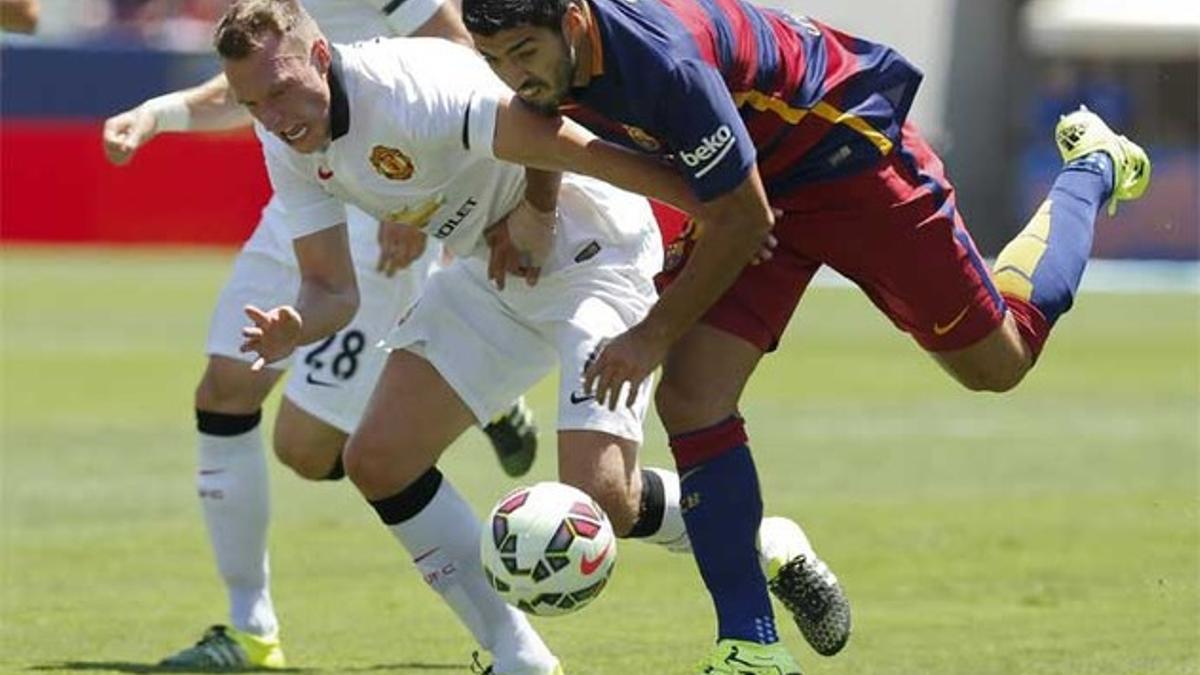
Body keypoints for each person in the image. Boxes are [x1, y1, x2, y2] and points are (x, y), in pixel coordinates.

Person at [461, 0, 1152, 671]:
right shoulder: (550, 57)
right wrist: (537, 209)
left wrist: (650, 334)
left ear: (576, 21)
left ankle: (1092, 166)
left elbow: (743, 221)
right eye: (492, 57)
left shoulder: (662, 61)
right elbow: (542, 115)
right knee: (693, 396)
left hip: (844, 151)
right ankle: (752, 648)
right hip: (749, 185)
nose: (510, 73)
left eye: (523, 53)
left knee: (999, 362)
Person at [216, 1, 841, 671]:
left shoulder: (410, 88)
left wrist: (715, 211)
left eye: (279, 91)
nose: (274, 117)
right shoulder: (286, 140)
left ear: (317, 56)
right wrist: (299, 323)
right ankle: (518, 654)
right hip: (495, 273)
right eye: (253, 104)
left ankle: (757, 538)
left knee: (603, 497)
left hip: (591, 253)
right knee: (378, 458)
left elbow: (552, 129)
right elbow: (333, 289)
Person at [100, 0, 540, 668]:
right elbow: (259, 88)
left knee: (308, 450)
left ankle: (470, 393)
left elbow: (460, 51)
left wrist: (419, 193)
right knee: (223, 390)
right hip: (301, 192)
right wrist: (161, 114)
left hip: (383, 201)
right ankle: (252, 630)